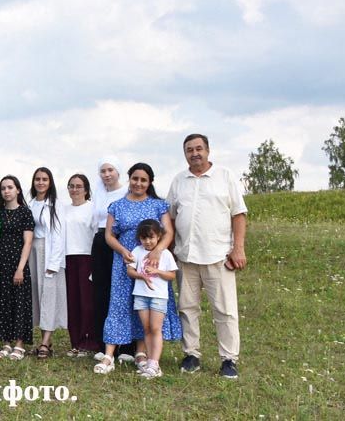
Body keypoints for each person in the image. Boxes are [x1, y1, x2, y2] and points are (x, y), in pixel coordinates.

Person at [167, 133, 248, 379]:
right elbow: (170, 217)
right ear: (185, 154)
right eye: (189, 150)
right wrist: (169, 251)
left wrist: (238, 248)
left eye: (199, 148)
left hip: (218, 255)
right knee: (187, 308)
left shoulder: (225, 176)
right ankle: (191, 354)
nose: (195, 153)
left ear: (208, 150)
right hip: (186, 256)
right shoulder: (179, 180)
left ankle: (229, 359)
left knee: (224, 310)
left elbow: (239, 213)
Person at [94, 162, 182, 374]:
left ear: (149, 182)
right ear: (129, 179)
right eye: (135, 178)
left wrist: (157, 251)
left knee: (146, 304)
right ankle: (109, 355)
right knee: (119, 304)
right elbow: (109, 235)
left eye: (143, 180)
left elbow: (168, 232)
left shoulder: (158, 205)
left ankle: (142, 352)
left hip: (152, 264)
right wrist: (123, 251)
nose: (139, 183)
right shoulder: (117, 205)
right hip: (124, 261)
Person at [125, 219, 179, 378]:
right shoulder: (137, 251)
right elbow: (130, 271)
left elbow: (172, 275)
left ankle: (155, 363)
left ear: (159, 237)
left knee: (156, 328)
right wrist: (141, 276)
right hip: (141, 296)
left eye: (151, 238)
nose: (148, 242)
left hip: (158, 297)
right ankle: (149, 361)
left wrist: (157, 272)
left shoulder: (165, 254)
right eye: (144, 238)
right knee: (147, 328)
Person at [0, 175, 35, 361]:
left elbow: (28, 242)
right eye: (3, 188)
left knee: (19, 303)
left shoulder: (25, 212)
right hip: (0, 263)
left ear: (18, 190)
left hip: (18, 263)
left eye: (10, 187)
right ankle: (6, 342)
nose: (6, 191)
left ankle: (19, 344)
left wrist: (20, 268)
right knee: (3, 301)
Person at [90, 157, 132, 361]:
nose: (106, 174)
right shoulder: (98, 194)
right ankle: (102, 344)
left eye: (110, 170)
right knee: (101, 294)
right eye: (103, 171)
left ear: (118, 171)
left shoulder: (126, 192)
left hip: (120, 242)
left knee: (122, 294)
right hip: (100, 242)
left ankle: (127, 347)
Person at [27, 167, 67, 358]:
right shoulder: (31, 203)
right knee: (38, 296)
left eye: (44, 179)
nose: (40, 182)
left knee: (49, 296)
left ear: (50, 182)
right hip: (32, 251)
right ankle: (46, 340)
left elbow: (59, 235)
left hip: (48, 252)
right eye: (37, 179)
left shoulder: (56, 204)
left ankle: (44, 343)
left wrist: (54, 262)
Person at [62, 174, 100, 356]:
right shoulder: (63, 210)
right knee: (72, 303)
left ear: (86, 189)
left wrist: (95, 263)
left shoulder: (92, 209)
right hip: (68, 258)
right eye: (71, 186)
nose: (74, 189)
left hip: (86, 258)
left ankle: (89, 342)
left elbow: (95, 235)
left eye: (78, 186)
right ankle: (75, 342)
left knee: (87, 303)